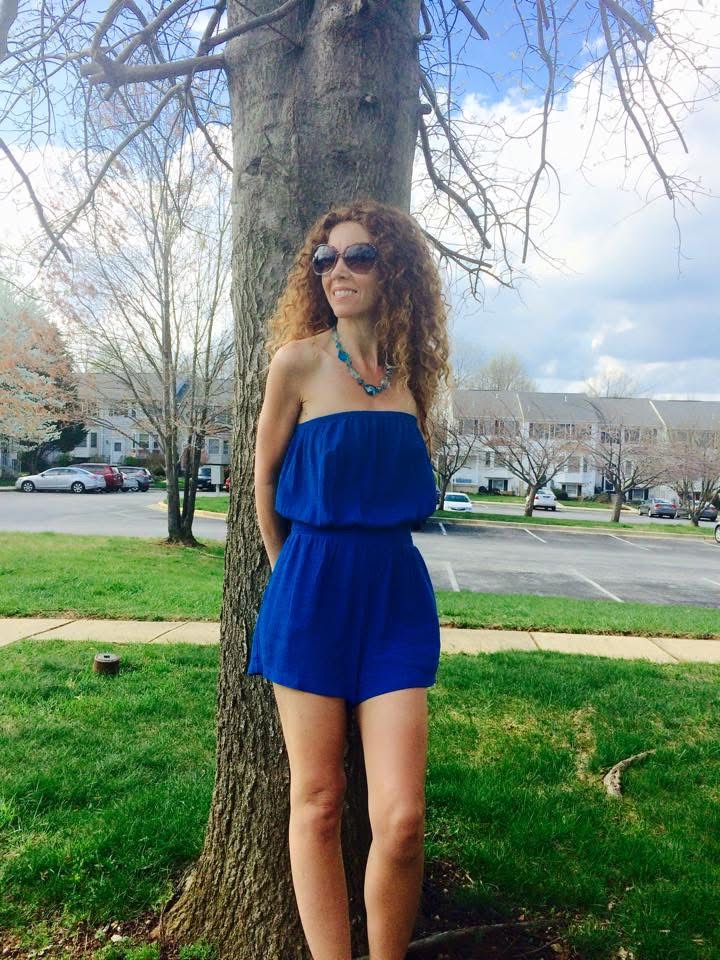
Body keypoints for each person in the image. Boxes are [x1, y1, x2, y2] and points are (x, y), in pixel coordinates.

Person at [248, 199, 450, 960]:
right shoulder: (296, 363)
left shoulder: (411, 377)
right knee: (319, 800)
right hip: (310, 590)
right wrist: (289, 575)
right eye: (325, 259)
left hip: (394, 597)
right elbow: (264, 482)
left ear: (392, 269)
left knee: (401, 820)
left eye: (359, 256)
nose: (338, 270)